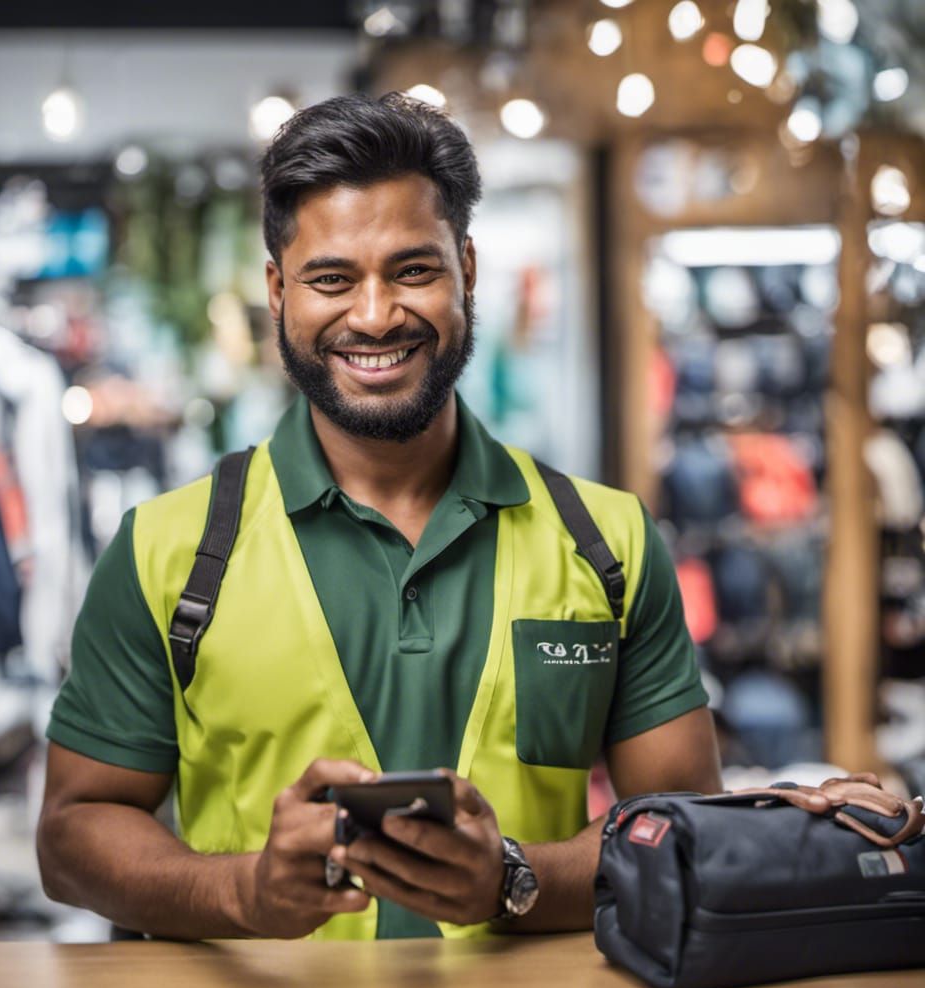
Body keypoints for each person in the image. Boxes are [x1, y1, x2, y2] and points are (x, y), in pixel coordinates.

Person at [36, 93, 721, 941]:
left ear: (466, 269)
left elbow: (687, 827)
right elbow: (70, 838)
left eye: (413, 269)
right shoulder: (167, 552)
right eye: (332, 279)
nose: (373, 314)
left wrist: (515, 877)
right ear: (278, 290)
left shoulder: (607, 541)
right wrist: (244, 894)